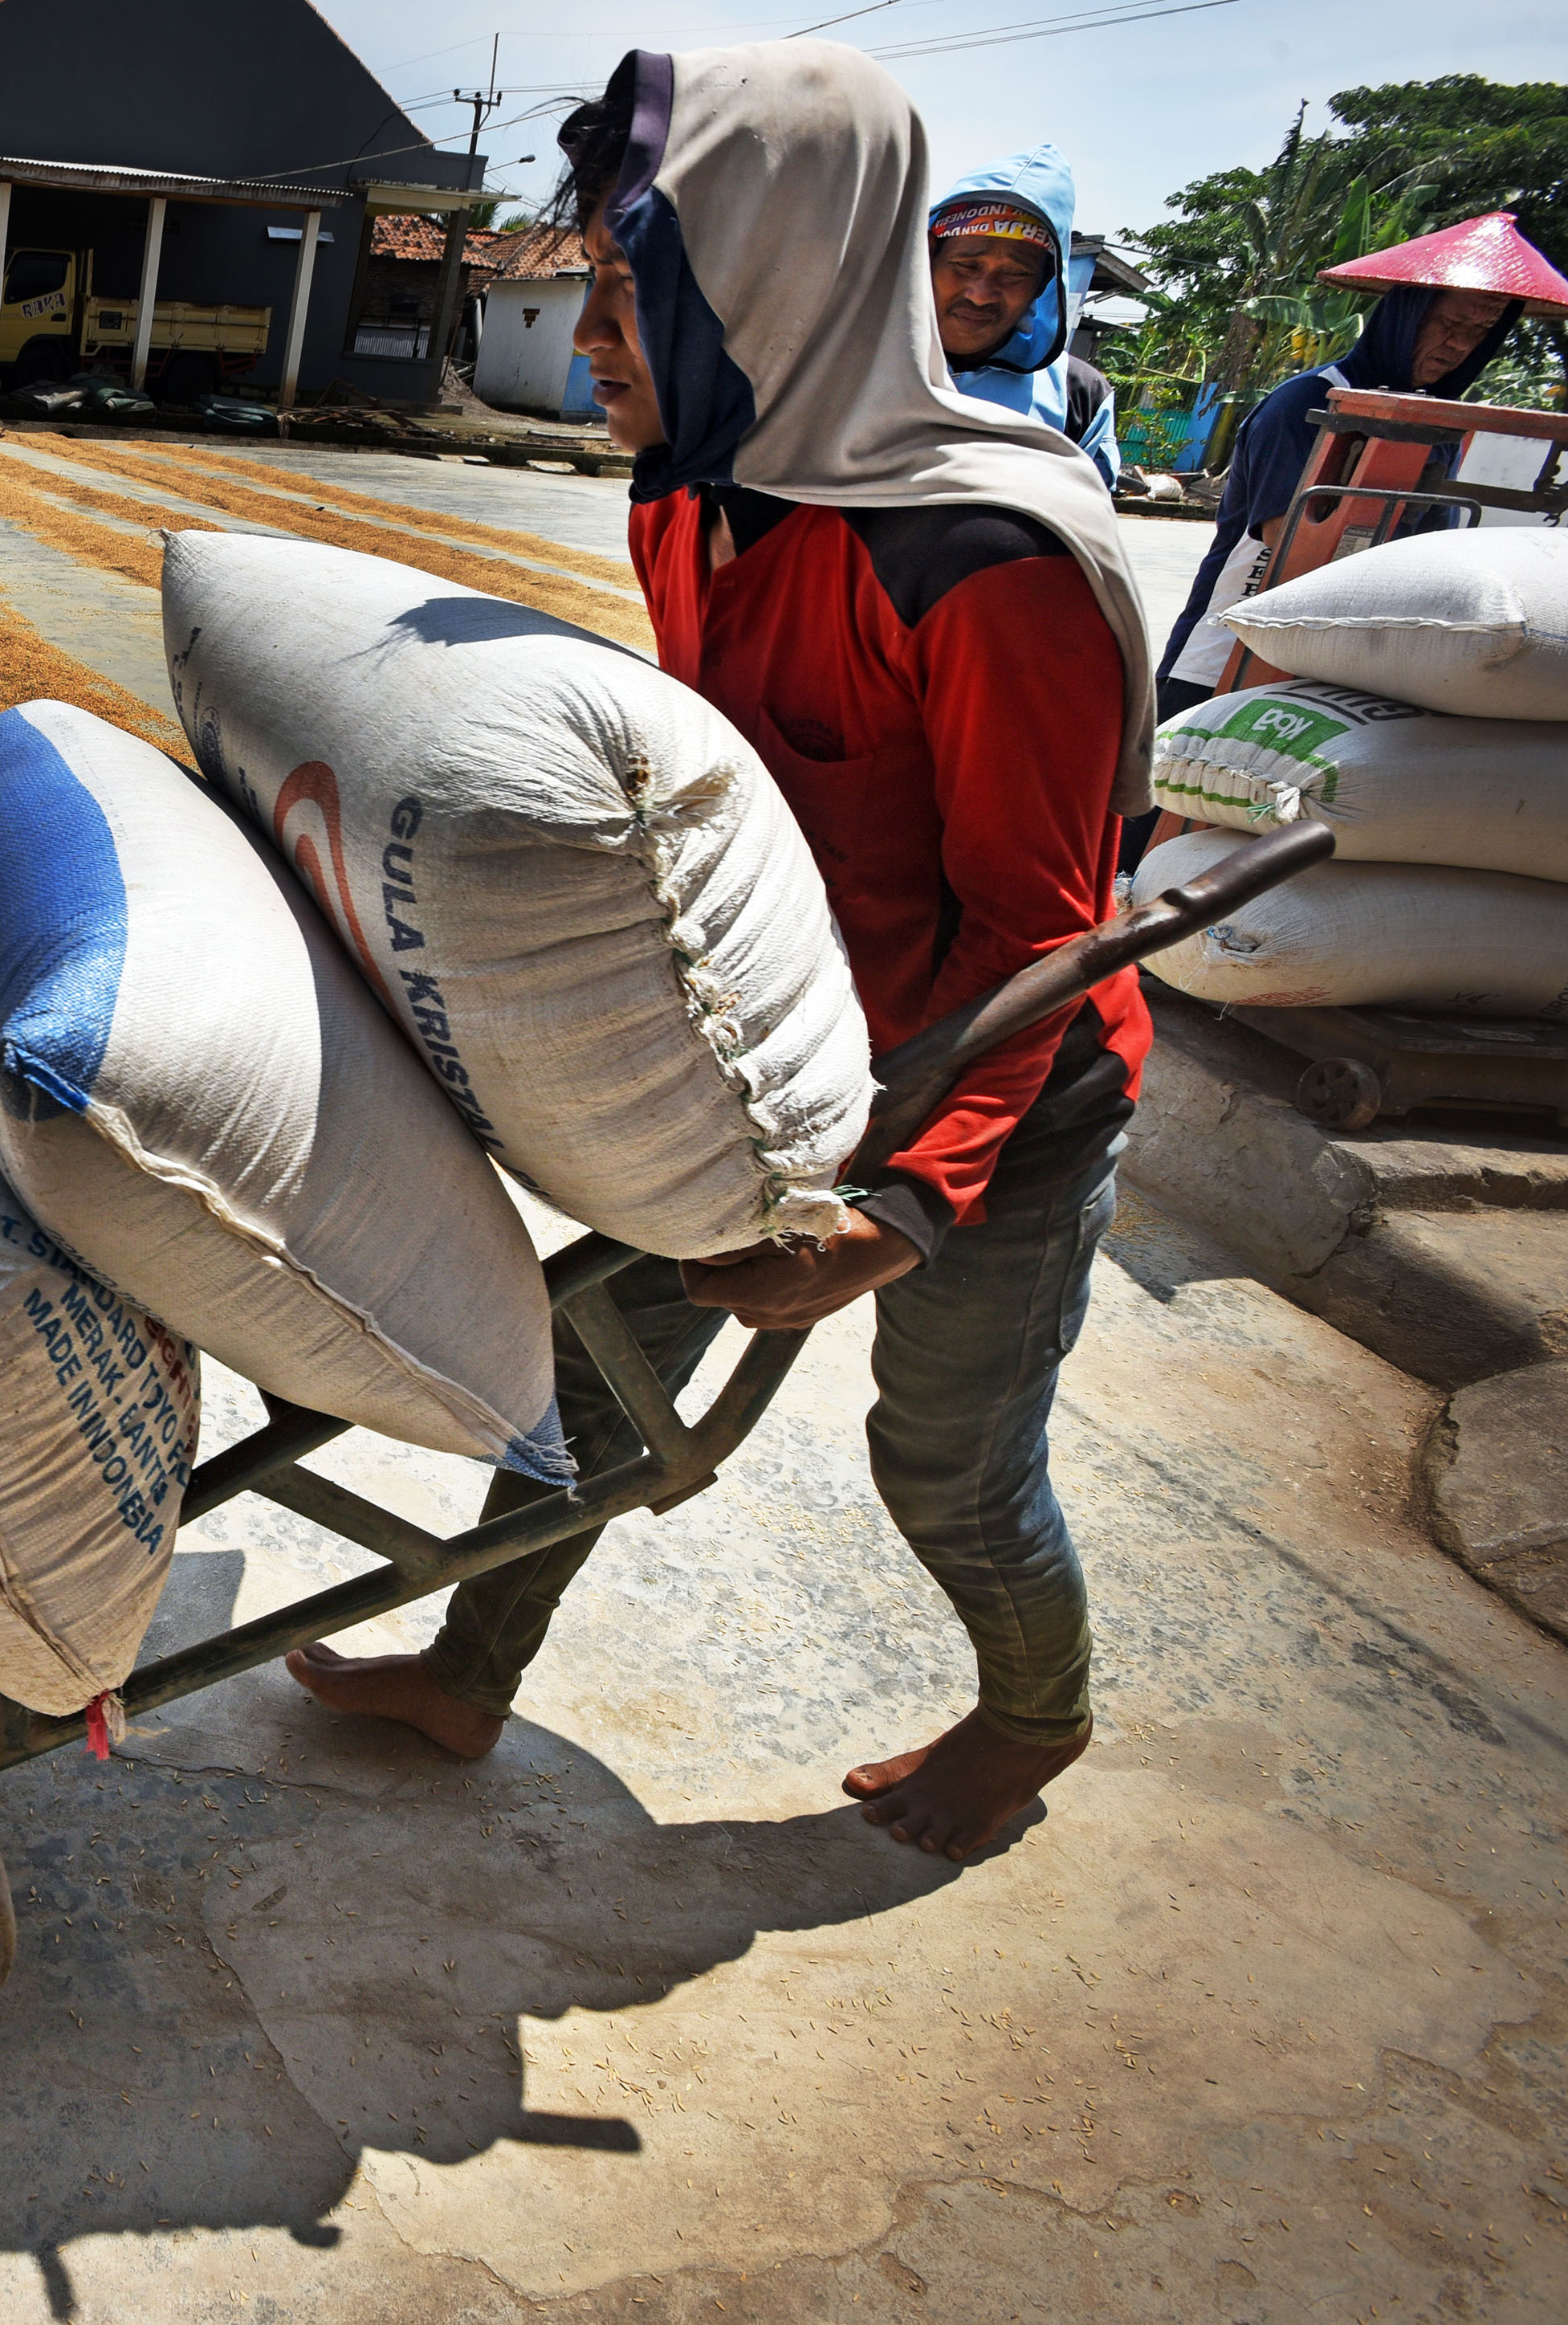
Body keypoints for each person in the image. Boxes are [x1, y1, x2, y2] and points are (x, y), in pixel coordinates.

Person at [287, 40, 1159, 1865]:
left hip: (996, 1087)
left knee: (946, 1462)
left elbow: (1044, 937)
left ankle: (1030, 1717)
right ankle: (467, 1677)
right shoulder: (691, 489)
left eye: (627, 289)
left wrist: (903, 1208)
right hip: (783, 1047)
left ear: (763, 294)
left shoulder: (992, 564)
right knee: (590, 1370)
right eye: (599, 286)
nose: (595, 336)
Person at [1151, 214, 1552, 725]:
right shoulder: (1310, 404)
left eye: (1478, 334)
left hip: (1350, 659)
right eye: (1448, 325)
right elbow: (1292, 541)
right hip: (1232, 643)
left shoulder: (1435, 423)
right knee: (1176, 790)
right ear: (1405, 316)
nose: (1458, 347)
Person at [929, 145, 1118, 486]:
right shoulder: (850, 359)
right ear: (927, 259)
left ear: (1044, 284)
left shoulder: (1079, 398)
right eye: (965, 265)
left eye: (1014, 274)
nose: (980, 294)